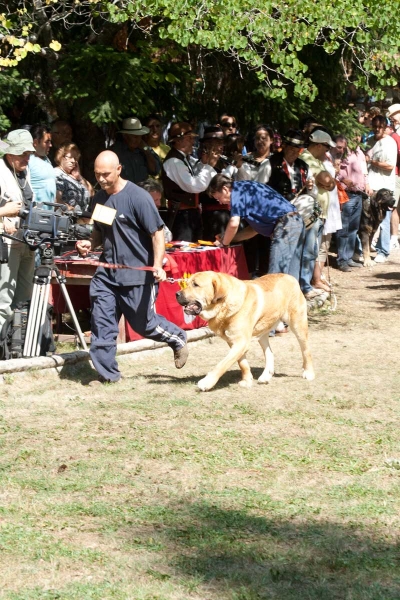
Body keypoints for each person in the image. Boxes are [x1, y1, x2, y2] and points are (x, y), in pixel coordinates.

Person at [76, 150, 188, 383]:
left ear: (119, 169)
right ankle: (108, 375)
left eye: (106, 174)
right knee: (102, 322)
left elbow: (157, 233)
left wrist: (158, 264)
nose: (102, 179)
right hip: (107, 274)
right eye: (97, 175)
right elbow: (100, 230)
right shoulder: (100, 198)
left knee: (143, 324)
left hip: (137, 275)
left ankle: (177, 337)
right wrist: (90, 242)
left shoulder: (138, 197)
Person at [207, 174, 305, 280]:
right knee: (291, 277)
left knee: (275, 278)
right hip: (295, 222)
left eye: (218, 198)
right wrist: (228, 238)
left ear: (225, 189)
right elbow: (253, 230)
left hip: (287, 225)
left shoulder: (237, 193)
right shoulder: (246, 188)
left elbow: (234, 223)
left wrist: (224, 244)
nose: (220, 202)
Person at [0, 129, 36, 329]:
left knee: (23, 299)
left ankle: (17, 346)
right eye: (23, 153)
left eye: (29, 154)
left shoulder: (24, 171)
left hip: (26, 242)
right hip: (5, 245)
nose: (27, 158)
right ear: (9, 153)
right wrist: (3, 212)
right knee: (3, 301)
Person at [162, 122, 220, 242]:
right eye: (189, 139)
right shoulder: (174, 161)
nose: (193, 142)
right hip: (181, 216)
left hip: (190, 214)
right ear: (178, 140)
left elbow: (195, 179)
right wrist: (209, 166)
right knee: (184, 251)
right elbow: (194, 186)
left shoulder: (182, 159)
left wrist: (204, 164)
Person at [336, 134, 371, 268]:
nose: (356, 137)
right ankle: (342, 259)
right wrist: (343, 179)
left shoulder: (360, 152)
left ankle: (349, 257)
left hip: (359, 194)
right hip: (347, 193)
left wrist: (367, 184)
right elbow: (336, 170)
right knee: (344, 228)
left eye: (358, 135)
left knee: (354, 228)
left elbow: (364, 171)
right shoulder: (345, 153)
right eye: (354, 134)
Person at [366, 114, 397, 263]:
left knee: (384, 220)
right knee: (368, 219)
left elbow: (390, 165)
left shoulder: (390, 143)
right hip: (370, 186)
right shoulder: (370, 141)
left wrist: (372, 161)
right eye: (375, 126)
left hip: (384, 187)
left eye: (380, 127)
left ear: (385, 127)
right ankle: (364, 248)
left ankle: (383, 251)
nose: (377, 129)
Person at [111, 117, 161, 184]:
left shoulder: (144, 149)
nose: (138, 139)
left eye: (140, 136)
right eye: (134, 136)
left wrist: (146, 150)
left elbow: (155, 170)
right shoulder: (115, 152)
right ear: (125, 136)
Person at [54, 143, 92, 211]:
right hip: (69, 218)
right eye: (70, 157)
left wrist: (79, 177)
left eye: (75, 158)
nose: (73, 161)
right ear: (61, 157)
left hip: (84, 217)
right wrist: (73, 211)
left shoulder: (74, 175)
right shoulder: (57, 174)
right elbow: (57, 201)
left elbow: (91, 193)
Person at [29, 124, 56, 207]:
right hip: (34, 214)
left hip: (48, 214)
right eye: (47, 142)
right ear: (35, 142)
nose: (50, 145)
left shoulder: (46, 159)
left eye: (50, 141)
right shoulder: (28, 160)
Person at [387, 104, 400, 250]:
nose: (392, 118)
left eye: (394, 115)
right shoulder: (394, 133)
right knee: (395, 206)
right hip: (397, 173)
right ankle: (394, 237)